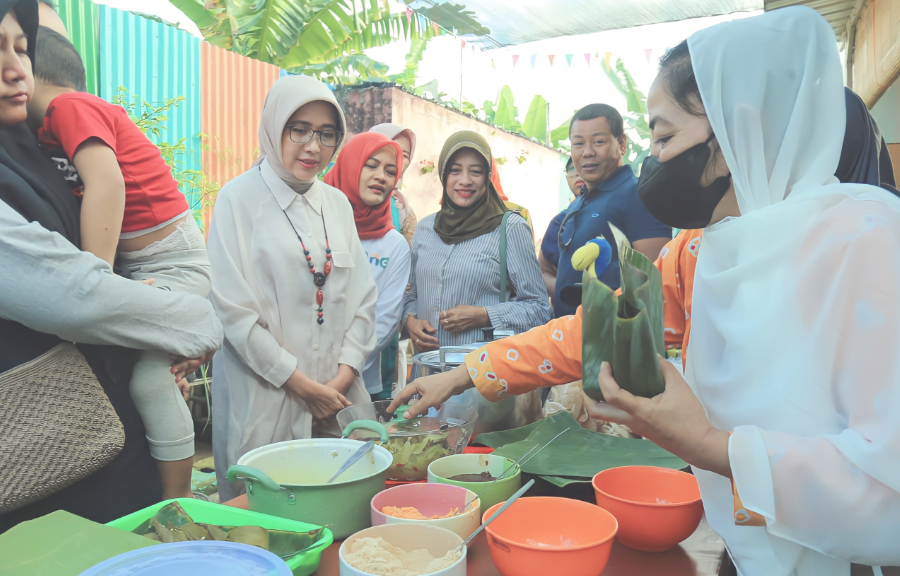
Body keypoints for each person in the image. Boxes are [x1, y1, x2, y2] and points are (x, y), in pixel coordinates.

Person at [394, 8, 900, 574]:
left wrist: (710, 444)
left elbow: (886, 475)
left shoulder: (867, 238)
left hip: (839, 554)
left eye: (662, 136)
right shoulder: (700, 250)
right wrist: (467, 371)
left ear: (736, 128)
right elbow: (603, 328)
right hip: (746, 536)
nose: (653, 160)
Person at [0, 0, 222, 532]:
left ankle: (176, 497)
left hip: (105, 448)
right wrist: (189, 323)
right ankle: (180, 497)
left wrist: (148, 329)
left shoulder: (33, 145)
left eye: (22, 48)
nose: (16, 68)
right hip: (45, 465)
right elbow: (77, 295)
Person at [207, 75, 377, 502]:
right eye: (298, 129)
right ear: (273, 127)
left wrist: (339, 379)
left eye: (326, 133)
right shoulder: (237, 201)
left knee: (340, 508)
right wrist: (299, 384)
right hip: (267, 394)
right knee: (268, 516)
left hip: (339, 396)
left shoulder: (336, 204)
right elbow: (233, 312)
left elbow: (363, 298)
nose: (312, 146)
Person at [402, 130, 551, 366]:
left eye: (476, 171)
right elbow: (412, 295)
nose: (465, 180)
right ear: (443, 174)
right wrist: (411, 320)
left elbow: (540, 309)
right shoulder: (425, 228)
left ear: (487, 176)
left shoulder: (510, 228)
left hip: (481, 380)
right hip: (428, 372)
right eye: (455, 170)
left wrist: (483, 315)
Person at [553, 103, 671, 317]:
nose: (588, 152)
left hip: (614, 341)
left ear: (621, 143)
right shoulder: (578, 202)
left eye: (598, 142)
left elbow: (654, 276)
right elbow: (551, 269)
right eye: (578, 144)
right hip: (567, 338)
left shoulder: (637, 194)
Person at [325, 132, 410, 401]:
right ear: (351, 165)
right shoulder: (318, 223)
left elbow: (384, 321)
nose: (381, 177)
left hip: (361, 381)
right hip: (302, 375)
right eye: (371, 165)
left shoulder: (394, 244)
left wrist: (344, 369)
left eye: (390, 171)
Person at [539, 156, 584, 297]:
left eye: (582, 166)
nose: (577, 173)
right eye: (572, 168)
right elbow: (542, 272)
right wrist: (568, 292)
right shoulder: (559, 222)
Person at [368, 122, 418, 246]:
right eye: (390, 149)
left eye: (405, 155)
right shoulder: (339, 202)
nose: (398, 158)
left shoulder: (404, 213)